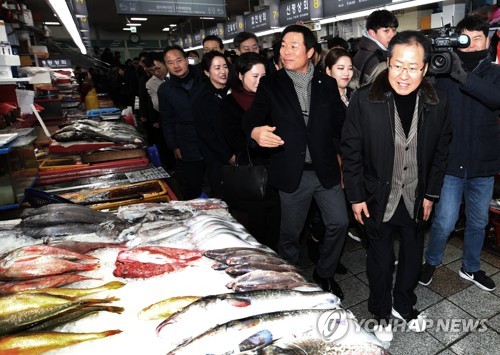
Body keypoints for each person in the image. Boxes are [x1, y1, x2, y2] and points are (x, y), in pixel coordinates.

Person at [342, 31, 452, 342]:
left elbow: (442, 150)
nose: (404, 75)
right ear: (388, 63)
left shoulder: (439, 102)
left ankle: (403, 303)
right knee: (379, 259)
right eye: (397, 66)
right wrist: (356, 195)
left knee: (412, 254)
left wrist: (431, 193)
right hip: (377, 196)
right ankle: (380, 310)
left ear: (426, 68)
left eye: (413, 67)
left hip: (417, 196)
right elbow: (350, 150)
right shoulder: (364, 100)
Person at [243, 24, 348, 300]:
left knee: (339, 223)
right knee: (290, 235)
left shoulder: (327, 84)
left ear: (310, 52)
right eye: (283, 46)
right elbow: (252, 118)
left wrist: (344, 162)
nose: (286, 51)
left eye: (294, 46)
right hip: (293, 173)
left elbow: (340, 127)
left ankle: (324, 273)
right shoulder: (271, 83)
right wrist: (256, 132)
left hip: (325, 170)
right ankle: (293, 280)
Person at [420, 16, 500, 292]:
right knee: (444, 222)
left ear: (488, 41)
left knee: (479, 222)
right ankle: (431, 261)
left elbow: (495, 98)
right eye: (465, 39)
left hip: (483, 163)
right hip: (451, 163)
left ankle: (471, 267)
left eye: (478, 38)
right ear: (457, 40)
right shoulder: (443, 71)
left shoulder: (495, 74)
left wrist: (462, 75)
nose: (472, 44)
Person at [220, 52, 280, 250]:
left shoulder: (272, 98)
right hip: (251, 171)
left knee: (274, 222)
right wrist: (256, 138)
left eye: (263, 76)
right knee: (254, 225)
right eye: (254, 76)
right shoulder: (230, 103)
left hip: (275, 168)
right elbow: (232, 138)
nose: (260, 81)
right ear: (240, 75)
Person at [307, 48, 362, 265]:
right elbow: (328, 139)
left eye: (349, 68)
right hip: (333, 165)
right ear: (328, 70)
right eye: (340, 68)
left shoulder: (353, 96)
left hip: (354, 163)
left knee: (345, 215)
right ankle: (315, 240)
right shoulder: (321, 101)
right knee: (333, 215)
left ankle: (331, 254)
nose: (346, 73)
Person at [157, 45, 205, 200]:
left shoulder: (205, 77)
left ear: (186, 60)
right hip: (187, 141)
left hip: (211, 136)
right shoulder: (165, 89)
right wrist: (174, 146)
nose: (176, 66)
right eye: (170, 63)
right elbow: (167, 120)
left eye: (179, 60)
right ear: (166, 66)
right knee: (193, 184)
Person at [192, 51, 233, 197]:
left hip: (236, 154)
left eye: (225, 66)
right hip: (217, 158)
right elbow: (207, 135)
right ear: (207, 72)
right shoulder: (201, 98)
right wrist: (229, 156)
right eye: (217, 68)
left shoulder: (231, 91)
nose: (223, 71)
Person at [353, 10, 398, 86]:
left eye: (394, 30)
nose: (392, 35)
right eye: (386, 31)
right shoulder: (381, 63)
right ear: (372, 33)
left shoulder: (362, 50)